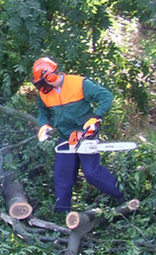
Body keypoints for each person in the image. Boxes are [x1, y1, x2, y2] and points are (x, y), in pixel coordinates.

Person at [32, 57, 124, 213]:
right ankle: (61, 214)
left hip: (86, 133)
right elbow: (43, 112)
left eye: (45, 81)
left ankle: (123, 197)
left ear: (51, 75)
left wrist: (96, 117)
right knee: (62, 176)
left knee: (92, 173)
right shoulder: (44, 93)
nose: (45, 86)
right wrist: (44, 125)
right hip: (65, 136)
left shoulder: (78, 83)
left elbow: (106, 96)